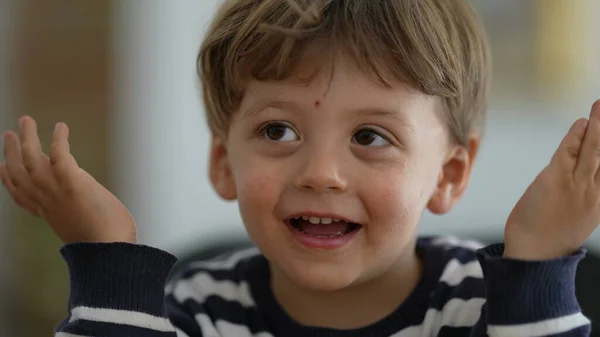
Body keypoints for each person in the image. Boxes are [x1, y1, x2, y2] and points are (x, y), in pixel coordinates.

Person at [1, 0, 598, 336]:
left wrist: (539, 265)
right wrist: (106, 256)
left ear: (448, 174)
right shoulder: (193, 310)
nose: (322, 173)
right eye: (277, 131)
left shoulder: (490, 309)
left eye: (370, 135)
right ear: (222, 162)